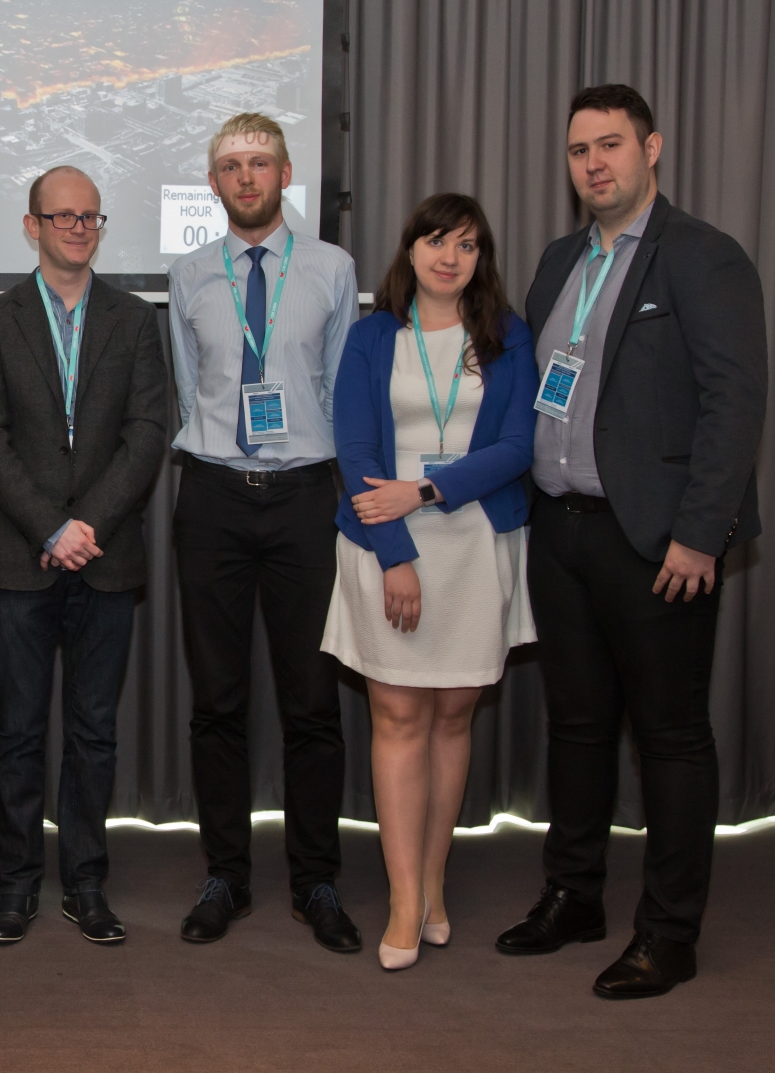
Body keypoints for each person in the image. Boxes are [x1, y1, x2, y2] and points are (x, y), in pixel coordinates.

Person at [496, 84, 767, 999]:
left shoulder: (702, 256)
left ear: (651, 149)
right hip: (561, 531)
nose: (594, 165)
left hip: (658, 545)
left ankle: (669, 932)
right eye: (579, 151)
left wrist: (700, 534)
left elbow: (735, 403)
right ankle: (574, 896)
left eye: (610, 145)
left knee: (670, 738)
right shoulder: (558, 260)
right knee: (576, 727)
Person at [323, 193, 538, 970]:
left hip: (475, 543)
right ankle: (405, 896)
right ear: (410, 249)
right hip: (387, 544)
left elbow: (518, 445)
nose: (451, 258)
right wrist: (396, 555)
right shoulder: (372, 335)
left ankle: (436, 879)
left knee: (453, 718)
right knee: (398, 717)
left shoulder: (508, 335)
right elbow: (355, 452)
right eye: (437, 241)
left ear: (482, 259)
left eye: (468, 246)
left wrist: (424, 491)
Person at [167, 113, 361, 948]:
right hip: (212, 496)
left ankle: (316, 881)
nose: (245, 178)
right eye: (230, 166)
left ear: (285, 174)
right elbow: (190, 390)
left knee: (312, 701)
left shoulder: (332, 269)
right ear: (213, 183)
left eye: (260, 163)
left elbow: (344, 392)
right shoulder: (188, 274)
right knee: (217, 701)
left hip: (305, 500)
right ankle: (227, 876)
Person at [0, 166, 169, 946]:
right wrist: (53, 528)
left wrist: (87, 525)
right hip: (20, 559)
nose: (78, 228)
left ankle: (86, 884)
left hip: (106, 558)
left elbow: (147, 433)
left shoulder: (134, 320)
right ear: (32, 226)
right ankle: (16, 886)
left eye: (90, 217)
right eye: (63, 217)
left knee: (94, 731)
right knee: (18, 731)